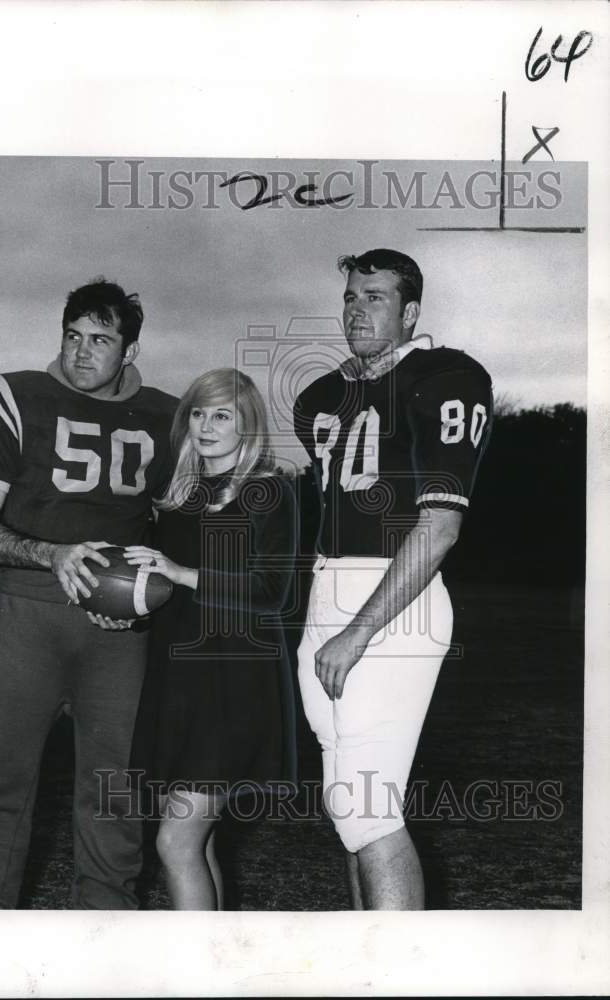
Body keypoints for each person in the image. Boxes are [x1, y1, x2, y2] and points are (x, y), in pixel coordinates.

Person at [0, 278, 177, 909]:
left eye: (101, 339)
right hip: (29, 608)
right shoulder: (10, 397)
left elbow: (188, 530)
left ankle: (103, 934)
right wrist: (51, 555)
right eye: (73, 336)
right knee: (2, 782)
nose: (82, 352)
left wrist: (148, 592)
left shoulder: (166, 415)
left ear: (129, 351)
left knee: (115, 790)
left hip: (120, 628)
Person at [293, 248, 493, 910]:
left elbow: (439, 528)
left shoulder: (447, 376)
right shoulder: (326, 394)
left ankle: (399, 971)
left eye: (374, 297)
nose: (356, 308)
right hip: (328, 590)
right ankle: (365, 963)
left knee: (368, 812)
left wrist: (358, 631)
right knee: (345, 808)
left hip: (391, 601)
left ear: (411, 311)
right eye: (351, 296)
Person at [124, 368, 298, 910]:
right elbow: (159, 590)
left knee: (175, 840)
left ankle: (195, 973)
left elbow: (272, 592)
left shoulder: (270, 490)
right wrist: (129, 608)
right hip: (180, 681)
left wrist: (180, 574)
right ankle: (219, 966)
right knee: (201, 841)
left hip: (234, 683)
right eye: (197, 412)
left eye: (221, 414)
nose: (205, 424)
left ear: (247, 424)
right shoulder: (176, 496)